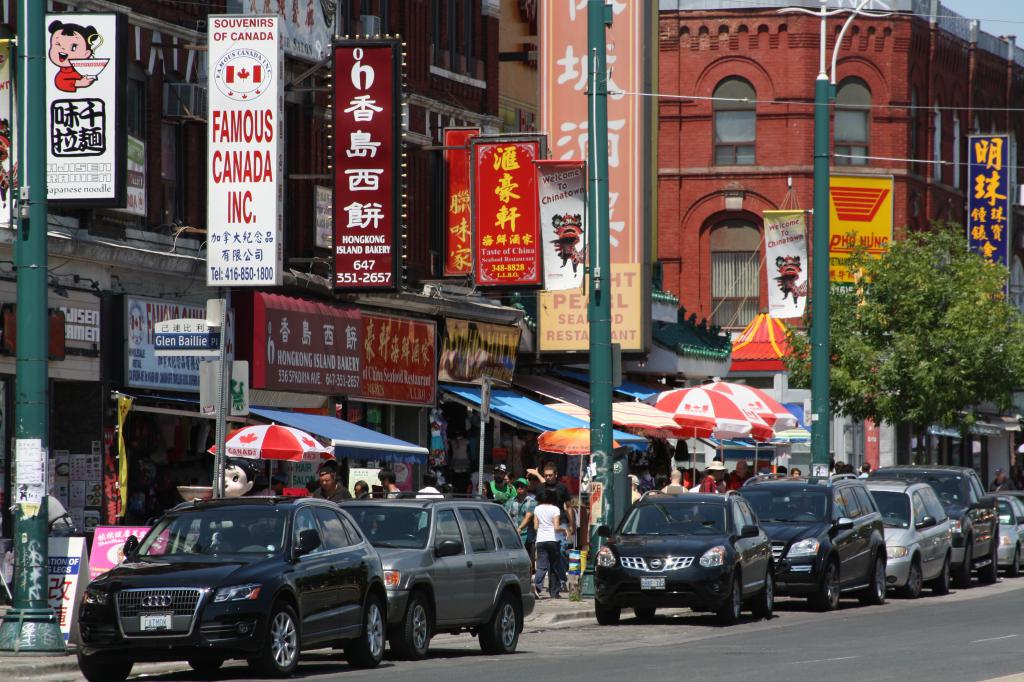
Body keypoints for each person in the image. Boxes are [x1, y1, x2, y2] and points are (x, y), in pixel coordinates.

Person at [540, 462, 574, 592]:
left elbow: (569, 507)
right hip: (546, 525)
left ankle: (562, 578)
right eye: (546, 475)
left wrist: (571, 525)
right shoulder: (540, 488)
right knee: (551, 554)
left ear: (556, 475)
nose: (548, 477)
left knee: (562, 551)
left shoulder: (562, 488)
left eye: (550, 475)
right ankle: (560, 581)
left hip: (561, 523)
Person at [533, 489, 564, 599]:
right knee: (554, 567)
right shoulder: (555, 509)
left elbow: (535, 527)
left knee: (542, 566)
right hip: (552, 540)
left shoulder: (537, 509)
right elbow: (556, 527)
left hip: (540, 540)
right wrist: (564, 530)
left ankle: (536, 587)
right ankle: (554, 592)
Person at [505, 478, 537, 571]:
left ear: (527, 488)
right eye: (517, 486)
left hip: (528, 537)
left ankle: (530, 582)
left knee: (529, 564)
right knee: (515, 563)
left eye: (522, 486)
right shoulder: (510, 502)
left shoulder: (532, 502)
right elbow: (505, 517)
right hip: (514, 537)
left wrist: (519, 528)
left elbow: (528, 518)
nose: (519, 488)